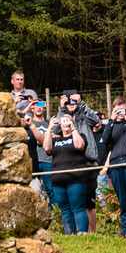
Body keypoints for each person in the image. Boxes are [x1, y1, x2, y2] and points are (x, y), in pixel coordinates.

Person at [41, 100, 95, 234]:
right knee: (65, 210)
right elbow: (46, 148)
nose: (65, 123)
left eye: (68, 121)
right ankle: (69, 234)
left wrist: (73, 128)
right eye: (63, 121)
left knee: (78, 207)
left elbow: (79, 146)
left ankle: (82, 233)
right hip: (58, 180)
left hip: (76, 179)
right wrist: (49, 129)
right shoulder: (56, 139)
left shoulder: (80, 136)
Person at [96, 102, 126, 235]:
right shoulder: (110, 125)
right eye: (117, 110)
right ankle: (125, 230)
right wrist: (111, 120)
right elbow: (104, 141)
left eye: (122, 110)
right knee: (122, 198)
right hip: (115, 164)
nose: (120, 113)